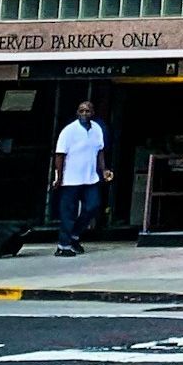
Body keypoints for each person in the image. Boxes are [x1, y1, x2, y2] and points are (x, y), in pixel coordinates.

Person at [51, 100, 112, 256]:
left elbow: (100, 151)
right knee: (68, 212)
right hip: (70, 178)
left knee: (93, 206)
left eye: (87, 111)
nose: (84, 114)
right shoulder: (69, 131)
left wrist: (103, 170)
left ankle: (74, 236)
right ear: (77, 113)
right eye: (81, 111)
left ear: (93, 113)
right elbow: (59, 154)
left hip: (90, 177)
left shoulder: (97, 129)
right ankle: (63, 246)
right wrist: (58, 176)